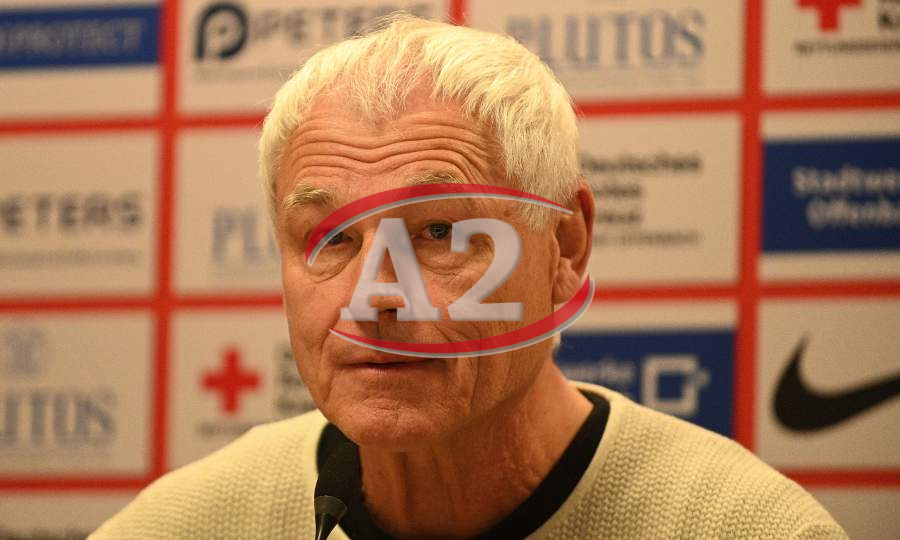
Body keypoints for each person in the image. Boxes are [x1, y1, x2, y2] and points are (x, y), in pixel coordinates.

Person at [92, 14, 846, 540]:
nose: (374, 296)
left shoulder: (748, 528)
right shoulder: (183, 525)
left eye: (439, 233)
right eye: (332, 237)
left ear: (566, 247)